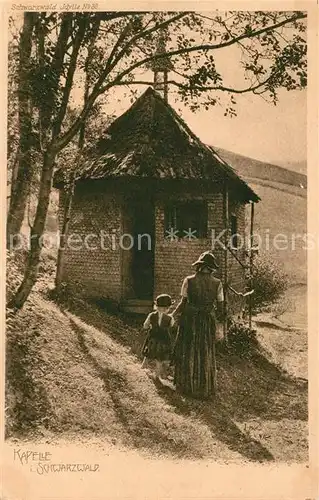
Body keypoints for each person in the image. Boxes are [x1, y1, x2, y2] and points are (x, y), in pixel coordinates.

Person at [171, 251, 224, 399]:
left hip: (190, 319)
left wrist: (172, 315)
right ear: (211, 268)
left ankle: (186, 387)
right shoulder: (217, 283)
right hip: (207, 321)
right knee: (205, 351)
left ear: (199, 265)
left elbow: (183, 303)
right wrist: (218, 321)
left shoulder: (189, 280)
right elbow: (220, 307)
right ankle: (204, 389)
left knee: (188, 349)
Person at [141, 294, 175, 382]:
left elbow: (145, 325)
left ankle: (143, 367)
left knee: (149, 353)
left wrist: (148, 327)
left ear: (157, 306)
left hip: (153, 338)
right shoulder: (169, 318)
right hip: (163, 340)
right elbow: (172, 326)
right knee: (160, 357)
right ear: (167, 308)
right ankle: (157, 374)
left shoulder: (151, 315)